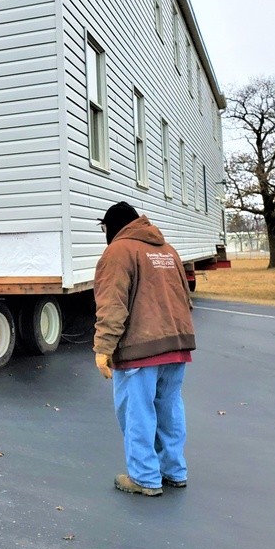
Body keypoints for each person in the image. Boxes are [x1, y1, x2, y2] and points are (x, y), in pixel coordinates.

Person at [92, 201, 195, 497]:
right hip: (176, 344)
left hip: (141, 348)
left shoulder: (118, 251)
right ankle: (174, 471)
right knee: (170, 407)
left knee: (138, 412)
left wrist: (103, 348)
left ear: (112, 226)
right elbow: (185, 298)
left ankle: (145, 477)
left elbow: (112, 304)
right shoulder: (167, 250)